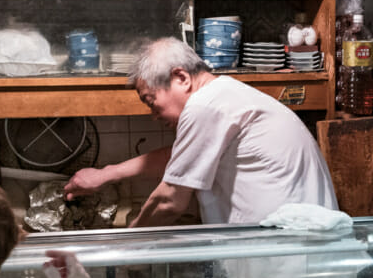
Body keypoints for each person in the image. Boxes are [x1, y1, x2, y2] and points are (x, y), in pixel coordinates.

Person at [64, 37, 337, 226]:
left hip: (285, 259)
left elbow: (170, 201)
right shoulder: (222, 96)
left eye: (150, 100)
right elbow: (183, 158)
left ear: (181, 78)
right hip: (293, 250)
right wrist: (107, 174)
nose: (153, 114)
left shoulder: (205, 106)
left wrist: (129, 244)